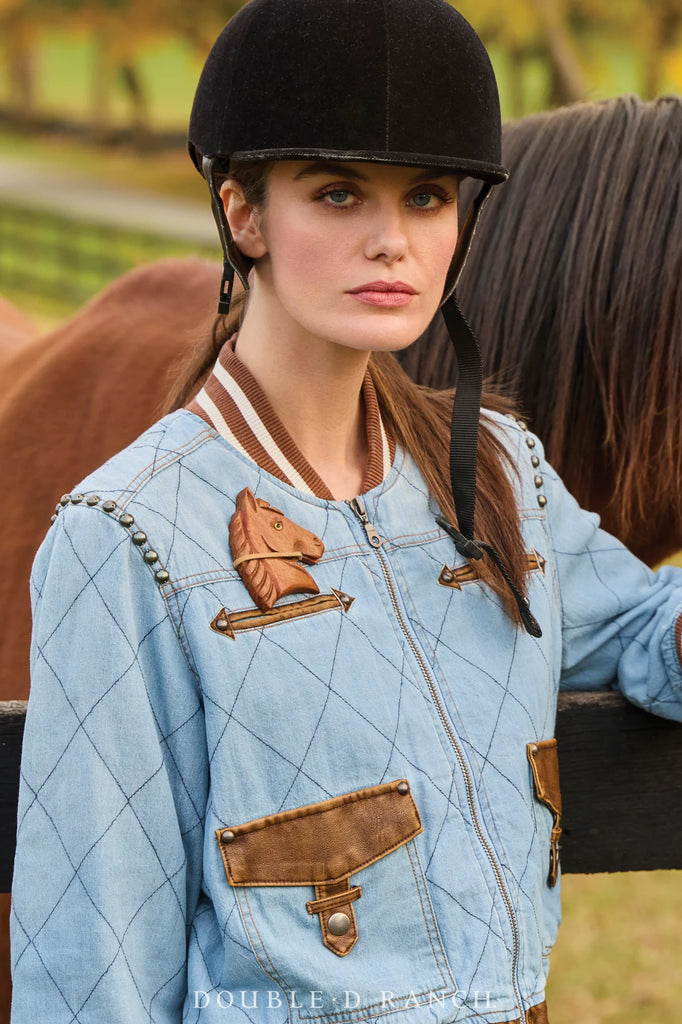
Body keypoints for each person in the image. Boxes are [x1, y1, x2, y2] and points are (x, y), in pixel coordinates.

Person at [9, 2, 682, 1022]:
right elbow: (91, 975)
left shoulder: (496, 471)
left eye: (425, 197)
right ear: (242, 213)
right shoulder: (127, 541)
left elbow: (641, 631)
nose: (392, 242)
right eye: (336, 193)